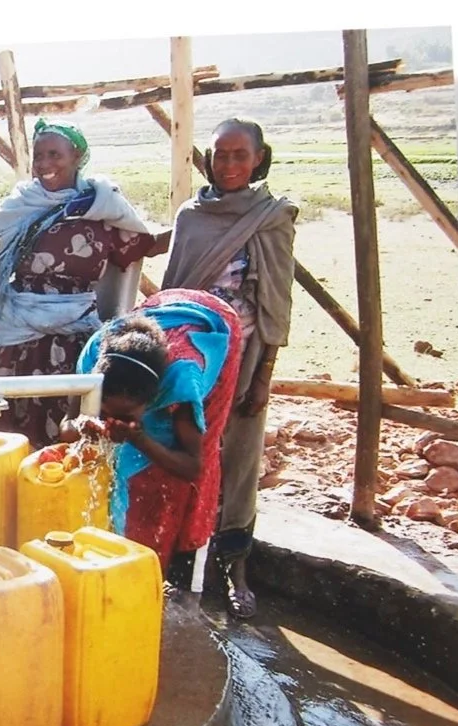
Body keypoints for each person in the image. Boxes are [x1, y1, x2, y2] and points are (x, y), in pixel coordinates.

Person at [161, 118, 297, 618]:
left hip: (245, 358)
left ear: (259, 157)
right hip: (193, 361)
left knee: (238, 460)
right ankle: (176, 560)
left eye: (241, 155)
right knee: (184, 447)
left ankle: (234, 568)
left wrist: (263, 377)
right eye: (222, 155)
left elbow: (276, 300)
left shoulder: (271, 216)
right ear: (209, 159)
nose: (231, 165)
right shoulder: (191, 217)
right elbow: (173, 290)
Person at [0, 119, 164, 448]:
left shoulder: (102, 207)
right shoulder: (19, 205)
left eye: (55, 154)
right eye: (38, 156)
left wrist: (191, 222)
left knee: (70, 427)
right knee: (11, 429)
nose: (44, 164)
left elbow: (144, 244)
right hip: (18, 338)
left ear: (77, 156)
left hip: (75, 338)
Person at [65, 289, 244, 575]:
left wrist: (140, 439)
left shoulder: (182, 381)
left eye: (125, 415)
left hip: (215, 322)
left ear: (154, 401)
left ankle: (173, 564)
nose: (111, 419)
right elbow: (66, 426)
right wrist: (83, 426)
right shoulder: (92, 362)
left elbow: (193, 466)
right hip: (161, 311)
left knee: (171, 480)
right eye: (105, 410)